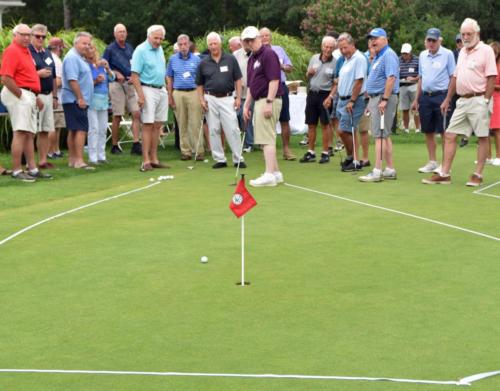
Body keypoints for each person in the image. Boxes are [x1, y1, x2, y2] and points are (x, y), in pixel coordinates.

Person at [423, 18, 497, 186]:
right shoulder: (462, 51)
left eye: (468, 34)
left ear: (477, 34)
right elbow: (456, 77)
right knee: (449, 134)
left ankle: (478, 174)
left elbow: (492, 77)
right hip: (462, 100)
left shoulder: (486, 50)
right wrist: (448, 99)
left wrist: (486, 100)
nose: (465, 37)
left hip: (479, 98)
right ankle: (445, 173)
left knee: (482, 136)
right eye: (463, 34)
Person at [0, 23, 50, 181]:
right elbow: (5, 77)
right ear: (15, 35)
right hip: (18, 93)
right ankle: (16, 170)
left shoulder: (25, 51)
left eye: (29, 34)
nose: (27, 38)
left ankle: (32, 168)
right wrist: (22, 95)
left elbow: (28, 76)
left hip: (28, 94)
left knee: (28, 133)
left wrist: (34, 96)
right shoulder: (12, 50)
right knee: (20, 132)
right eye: (24, 34)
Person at [242, 26, 284, 187]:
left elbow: (274, 80)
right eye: (247, 41)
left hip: (268, 100)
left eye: (252, 39)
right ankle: (276, 173)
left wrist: (268, 102)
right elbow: (252, 85)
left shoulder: (268, 54)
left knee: (266, 138)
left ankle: (269, 174)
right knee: (266, 137)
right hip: (259, 99)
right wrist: (246, 105)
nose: (250, 43)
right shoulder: (252, 58)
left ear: (259, 38)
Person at [196, 32, 245, 169]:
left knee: (233, 128)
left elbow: (238, 79)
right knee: (213, 129)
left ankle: (238, 158)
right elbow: (199, 84)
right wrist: (201, 100)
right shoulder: (203, 62)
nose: (213, 46)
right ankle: (220, 159)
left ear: (220, 44)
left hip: (228, 97)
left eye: (215, 43)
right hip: (210, 98)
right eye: (210, 44)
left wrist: (238, 98)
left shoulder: (230, 59)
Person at [412, 28, 455, 174]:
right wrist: (416, 99)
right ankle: (432, 161)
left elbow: (452, 78)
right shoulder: (423, 55)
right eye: (429, 40)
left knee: (443, 131)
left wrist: (448, 99)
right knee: (428, 131)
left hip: (441, 96)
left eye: (434, 40)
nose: (431, 43)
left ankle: (445, 164)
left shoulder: (448, 54)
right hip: (425, 97)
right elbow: (421, 78)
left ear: (439, 41)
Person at [359, 27, 399, 182]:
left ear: (385, 39)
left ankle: (377, 171)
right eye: (371, 38)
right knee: (384, 135)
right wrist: (373, 100)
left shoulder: (388, 55)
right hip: (378, 98)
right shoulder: (378, 55)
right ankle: (389, 169)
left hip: (383, 98)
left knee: (379, 135)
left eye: (376, 38)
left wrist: (384, 100)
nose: (373, 41)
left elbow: (391, 78)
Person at [130, 25, 170, 172]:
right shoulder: (140, 50)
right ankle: (145, 160)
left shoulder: (159, 50)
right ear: (149, 36)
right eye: (156, 38)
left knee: (157, 125)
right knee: (147, 124)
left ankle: (154, 158)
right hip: (146, 88)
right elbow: (134, 75)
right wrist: (140, 95)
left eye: (161, 38)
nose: (158, 41)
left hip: (160, 88)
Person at [102, 23, 142, 155]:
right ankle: (114, 145)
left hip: (130, 82)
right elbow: (103, 66)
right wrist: (114, 72)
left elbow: (135, 64)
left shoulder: (130, 48)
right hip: (116, 83)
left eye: (124, 31)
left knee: (136, 113)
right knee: (117, 115)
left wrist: (134, 76)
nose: (122, 34)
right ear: (114, 34)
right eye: (119, 32)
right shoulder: (110, 49)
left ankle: (136, 144)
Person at [332, 33, 368, 172]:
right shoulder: (346, 59)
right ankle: (351, 158)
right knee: (346, 131)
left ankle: (354, 159)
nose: (343, 51)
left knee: (343, 130)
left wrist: (352, 100)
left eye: (345, 47)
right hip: (342, 99)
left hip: (353, 99)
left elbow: (359, 81)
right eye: (341, 48)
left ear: (352, 45)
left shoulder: (359, 58)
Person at [260, 27, 296, 160]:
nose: (264, 38)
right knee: (266, 119)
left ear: (270, 37)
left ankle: (286, 149)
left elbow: (290, 68)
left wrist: (280, 66)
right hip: (265, 88)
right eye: (262, 36)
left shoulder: (279, 50)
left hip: (280, 86)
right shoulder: (257, 53)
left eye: (266, 35)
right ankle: (268, 150)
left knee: (284, 119)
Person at [166, 34, 204, 161]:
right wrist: (169, 96)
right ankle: (186, 152)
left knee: (196, 122)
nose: (183, 47)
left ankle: (199, 151)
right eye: (180, 44)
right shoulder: (172, 59)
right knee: (182, 123)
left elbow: (201, 79)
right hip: (178, 93)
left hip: (194, 92)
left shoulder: (197, 59)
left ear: (189, 45)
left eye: (185, 44)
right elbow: (169, 78)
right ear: (178, 45)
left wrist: (202, 96)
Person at [300, 36, 336, 164]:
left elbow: (336, 83)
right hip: (312, 94)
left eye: (331, 47)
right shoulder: (314, 58)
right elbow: (308, 76)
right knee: (311, 123)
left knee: (325, 124)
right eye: (326, 46)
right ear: (322, 47)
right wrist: (309, 72)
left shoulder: (335, 62)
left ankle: (325, 152)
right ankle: (311, 152)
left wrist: (330, 97)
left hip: (325, 95)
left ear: (334, 48)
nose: (328, 49)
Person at [61, 31, 94, 169]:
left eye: (88, 43)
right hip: (75, 100)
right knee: (80, 129)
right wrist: (80, 98)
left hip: (76, 100)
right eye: (83, 43)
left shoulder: (80, 57)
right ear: (76, 43)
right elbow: (72, 80)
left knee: (74, 129)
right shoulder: (72, 58)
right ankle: (79, 160)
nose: (86, 46)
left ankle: (73, 160)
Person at [29, 24, 57, 170]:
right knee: (32, 130)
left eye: (43, 37)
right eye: (37, 36)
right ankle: (30, 162)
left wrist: (55, 97)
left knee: (45, 129)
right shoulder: (28, 52)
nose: (40, 39)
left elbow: (53, 76)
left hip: (47, 94)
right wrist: (37, 74)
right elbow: (23, 75)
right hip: (34, 94)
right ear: (31, 36)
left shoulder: (47, 52)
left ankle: (43, 160)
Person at [85, 42, 115, 164]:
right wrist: (96, 81)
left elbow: (112, 78)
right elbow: (85, 83)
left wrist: (107, 68)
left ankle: (101, 155)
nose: (91, 50)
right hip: (92, 99)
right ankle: (92, 157)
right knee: (94, 128)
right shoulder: (86, 65)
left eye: (92, 47)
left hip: (103, 99)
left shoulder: (102, 63)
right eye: (88, 48)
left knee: (103, 128)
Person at [233, 38, 254, 152]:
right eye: (244, 41)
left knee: (253, 117)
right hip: (242, 92)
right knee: (243, 116)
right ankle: (248, 143)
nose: (247, 43)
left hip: (257, 92)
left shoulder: (257, 52)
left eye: (248, 40)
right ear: (241, 42)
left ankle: (254, 142)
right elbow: (233, 73)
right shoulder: (236, 55)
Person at [47, 37, 66, 159]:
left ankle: (56, 150)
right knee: (52, 126)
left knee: (57, 126)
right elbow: (57, 81)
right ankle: (50, 151)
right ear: (58, 47)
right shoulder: (56, 61)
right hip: (55, 97)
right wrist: (67, 83)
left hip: (57, 97)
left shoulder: (50, 58)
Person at [399, 43, 420, 133]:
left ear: (410, 52)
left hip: (414, 85)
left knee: (415, 108)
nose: (404, 55)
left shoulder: (417, 60)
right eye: (403, 53)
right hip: (403, 86)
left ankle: (418, 129)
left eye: (406, 53)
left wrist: (414, 78)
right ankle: (406, 129)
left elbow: (421, 74)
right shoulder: (398, 60)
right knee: (405, 109)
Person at [488, 41, 500, 166]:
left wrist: (492, 86)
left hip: (497, 98)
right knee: (485, 128)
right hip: (485, 98)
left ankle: (498, 156)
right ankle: (488, 157)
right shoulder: (487, 65)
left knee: (497, 129)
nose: (493, 55)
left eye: (495, 53)